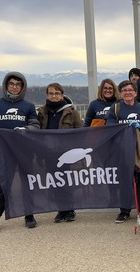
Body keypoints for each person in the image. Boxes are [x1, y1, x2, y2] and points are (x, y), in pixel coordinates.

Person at [0, 71, 40, 233]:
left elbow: (35, 125)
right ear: (6, 85)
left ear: (22, 87)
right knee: (4, 184)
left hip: (24, 151)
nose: (14, 87)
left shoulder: (28, 106)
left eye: (17, 84)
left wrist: (26, 129)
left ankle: (29, 215)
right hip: (5, 152)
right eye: (11, 84)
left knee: (26, 183)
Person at [107, 80, 140, 223]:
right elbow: (110, 128)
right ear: (120, 93)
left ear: (135, 93)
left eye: (130, 90)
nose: (127, 92)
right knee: (124, 180)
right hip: (122, 149)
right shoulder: (115, 109)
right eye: (124, 90)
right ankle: (124, 211)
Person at [37, 83, 83, 223]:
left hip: (66, 153)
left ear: (62, 95)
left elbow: (80, 132)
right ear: (47, 95)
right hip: (48, 152)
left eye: (57, 93)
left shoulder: (72, 112)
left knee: (66, 181)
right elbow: (36, 131)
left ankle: (69, 209)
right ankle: (60, 210)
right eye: (51, 93)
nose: (54, 96)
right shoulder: (41, 112)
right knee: (54, 181)